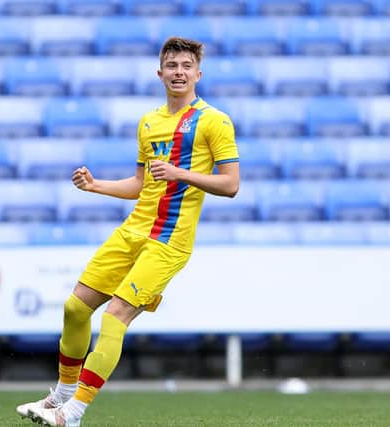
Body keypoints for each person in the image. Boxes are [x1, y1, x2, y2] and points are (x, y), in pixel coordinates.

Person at [16, 36, 240, 427]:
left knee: (116, 316)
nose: (179, 72)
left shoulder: (214, 121)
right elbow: (141, 184)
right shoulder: (149, 121)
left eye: (186, 66)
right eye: (172, 66)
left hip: (169, 241)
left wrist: (180, 173)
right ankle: (61, 396)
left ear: (198, 74)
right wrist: (96, 185)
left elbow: (231, 184)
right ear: (160, 73)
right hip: (133, 230)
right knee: (75, 307)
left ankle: (75, 412)